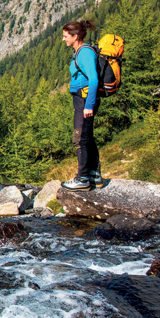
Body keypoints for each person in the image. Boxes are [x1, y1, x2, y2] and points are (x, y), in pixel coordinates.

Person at [62, 19, 102, 190]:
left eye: (66, 36)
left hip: (86, 100)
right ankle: (94, 174)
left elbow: (93, 79)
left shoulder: (85, 53)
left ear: (75, 36)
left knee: (80, 138)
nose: (63, 39)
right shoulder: (80, 51)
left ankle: (83, 178)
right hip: (82, 99)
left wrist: (88, 105)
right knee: (87, 135)